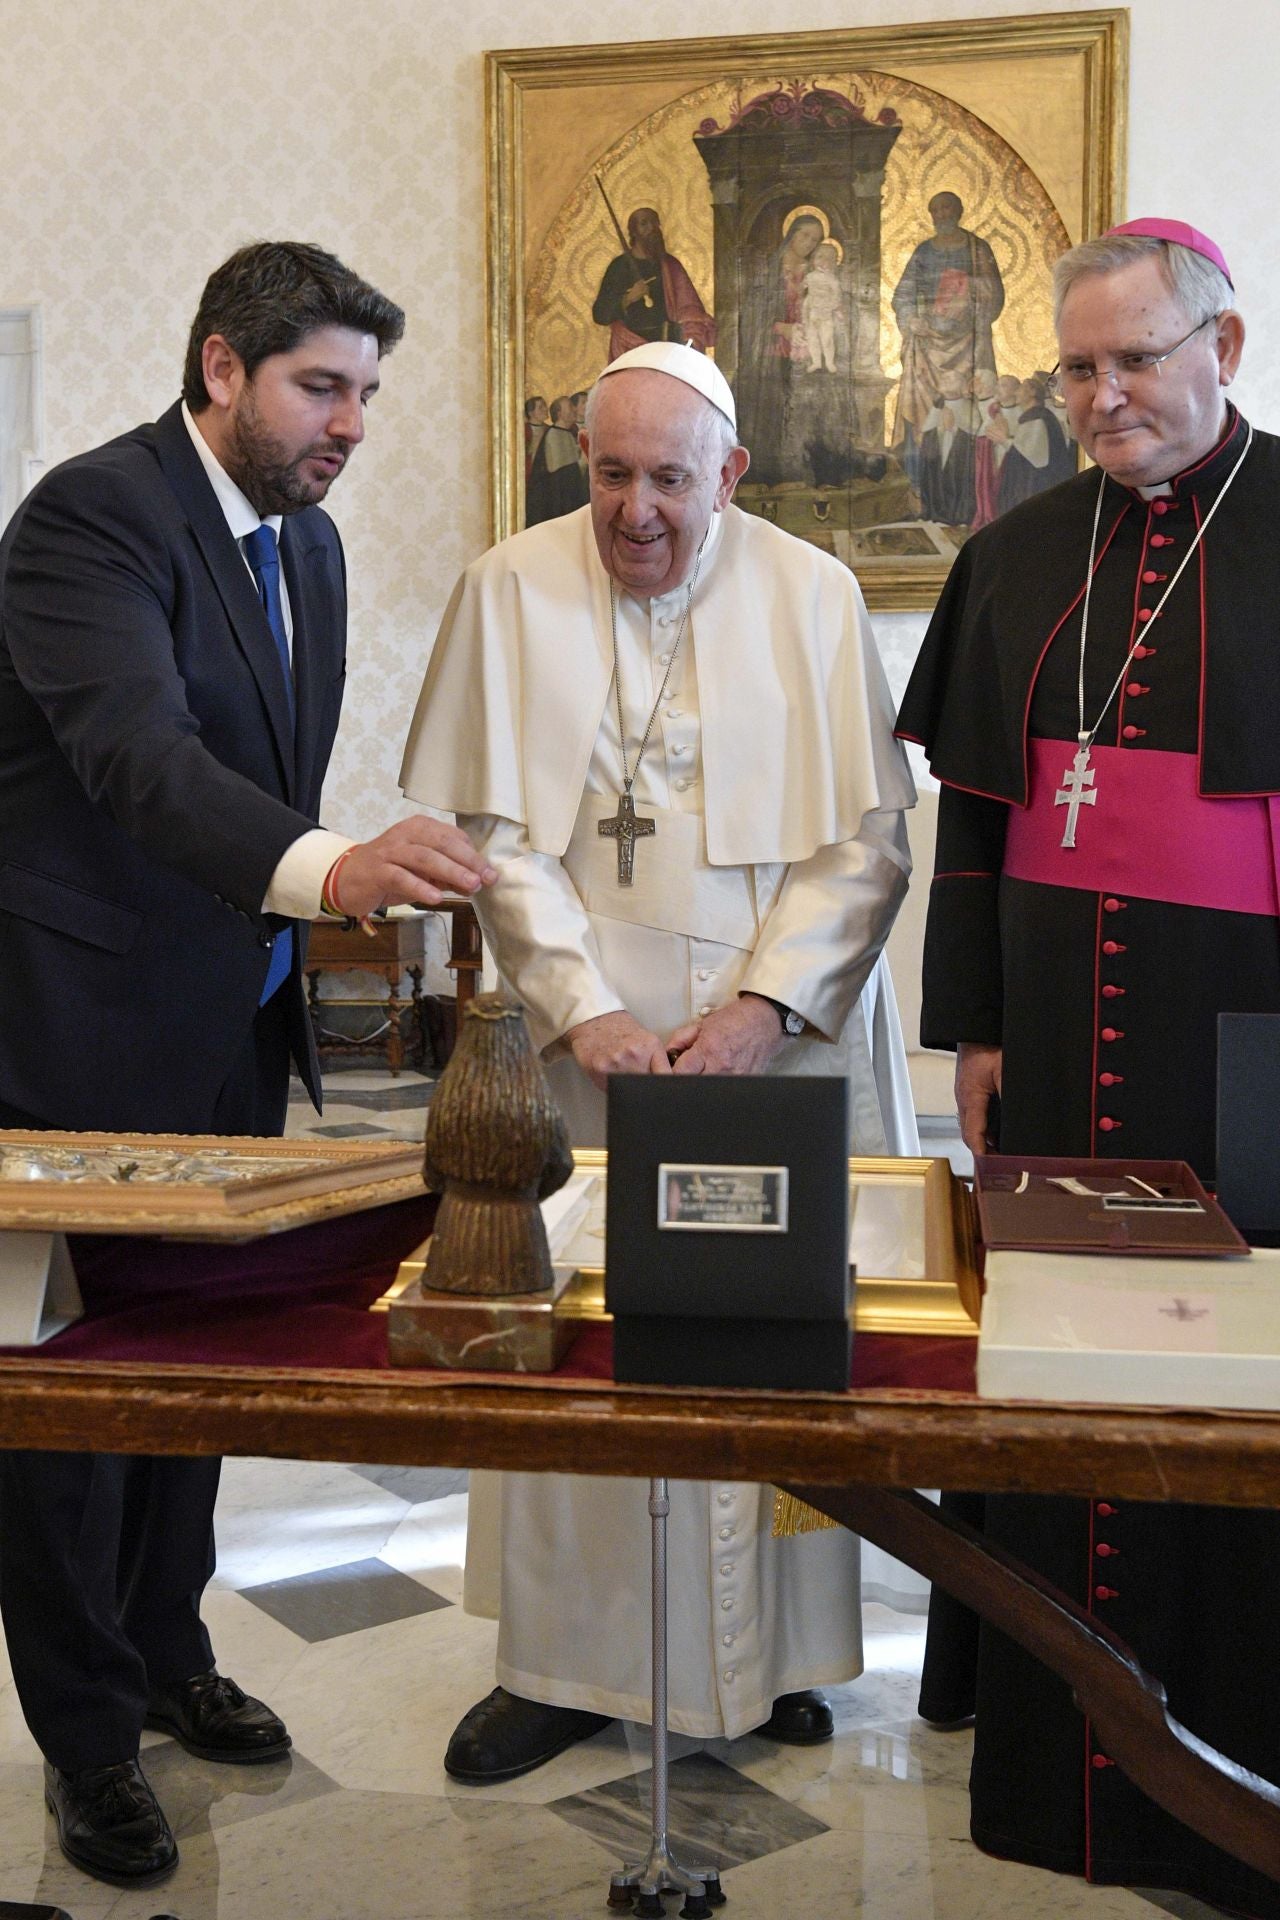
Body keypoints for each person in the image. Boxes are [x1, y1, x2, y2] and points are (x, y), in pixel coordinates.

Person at [0, 240, 496, 1890]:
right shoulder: (91, 519)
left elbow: (255, 777)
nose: (350, 423)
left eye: (366, 392)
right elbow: (140, 762)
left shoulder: (315, 545)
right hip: (72, 1032)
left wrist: (324, 902)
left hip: (224, 1019)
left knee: (194, 1366)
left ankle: (162, 1651)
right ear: (220, 366)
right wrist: (339, 866)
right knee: (72, 1404)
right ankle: (85, 1739)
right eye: (320, 386)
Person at [401, 338, 917, 1783]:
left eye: (669, 480)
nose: (636, 510)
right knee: (583, 1326)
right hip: (595, 1048)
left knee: (770, 1331)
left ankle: (777, 1667)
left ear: (731, 473)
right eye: (609, 472)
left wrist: (763, 1010)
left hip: (778, 1038)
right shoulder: (510, 586)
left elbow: (866, 839)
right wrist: (583, 1010)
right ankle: (564, 1667)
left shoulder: (812, 594)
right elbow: (493, 842)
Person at [895, 217, 1280, 1917]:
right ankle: (1059, 1775)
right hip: (1056, 1040)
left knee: (1234, 1384)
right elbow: (975, 820)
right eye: (1078, 367)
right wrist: (972, 1026)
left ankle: (1243, 1758)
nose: (1105, 396)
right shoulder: (1021, 548)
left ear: (1229, 349)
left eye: (1137, 358)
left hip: (1248, 1048)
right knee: (1056, 1368)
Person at [892, 192, 1005, 490]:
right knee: (921, 413)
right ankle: (920, 484)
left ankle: (964, 487)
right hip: (927, 346)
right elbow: (903, 295)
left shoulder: (976, 248)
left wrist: (967, 293)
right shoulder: (923, 252)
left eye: (947, 208)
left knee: (966, 414)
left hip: (967, 341)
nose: (942, 214)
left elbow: (994, 294)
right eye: (936, 210)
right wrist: (910, 320)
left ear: (959, 211)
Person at [591, 206, 715, 361]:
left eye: (655, 223)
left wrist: (690, 339)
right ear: (633, 231)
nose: (652, 228)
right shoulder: (619, 267)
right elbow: (600, 314)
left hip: (668, 347)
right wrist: (628, 298)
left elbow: (689, 307)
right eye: (644, 224)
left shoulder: (671, 265)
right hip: (630, 349)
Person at [525, 394, 589, 525]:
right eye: (570, 407)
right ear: (559, 413)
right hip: (554, 507)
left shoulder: (567, 433)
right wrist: (583, 461)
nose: (574, 410)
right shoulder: (554, 435)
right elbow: (560, 476)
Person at [800, 240, 846, 373]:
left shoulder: (832, 279)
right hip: (812, 310)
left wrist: (832, 306)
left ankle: (830, 362)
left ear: (834, 262)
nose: (824, 261)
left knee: (827, 339)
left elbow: (837, 294)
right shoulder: (810, 276)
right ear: (813, 260)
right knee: (812, 339)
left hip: (826, 313)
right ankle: (816, 362)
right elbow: (802, 288)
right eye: (820, 257)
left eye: (829, 258)